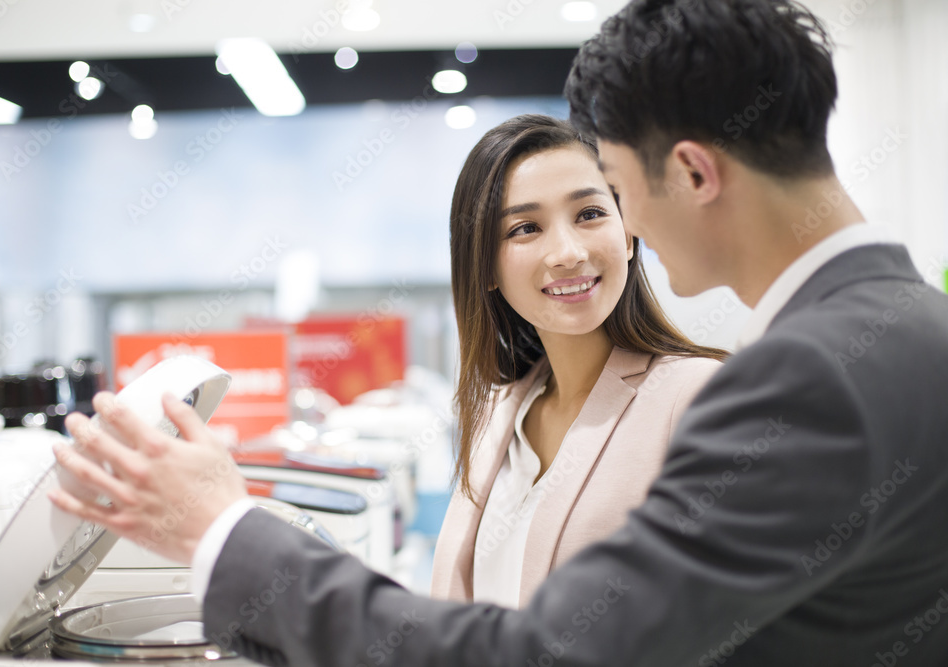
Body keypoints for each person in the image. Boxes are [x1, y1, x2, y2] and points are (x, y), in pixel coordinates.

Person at [50, 0, 948, 664]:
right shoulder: (907, 330)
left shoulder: (801, 382)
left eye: (611, 196)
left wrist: (221, 526)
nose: (607, 234)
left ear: (692, 173)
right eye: (523, 227)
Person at [430, 114, 724, 609]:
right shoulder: (501, 410)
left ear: (628, 234)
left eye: (589, 214)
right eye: (525, 228)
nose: (567, 252)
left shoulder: (695, 398)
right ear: (485, 268)